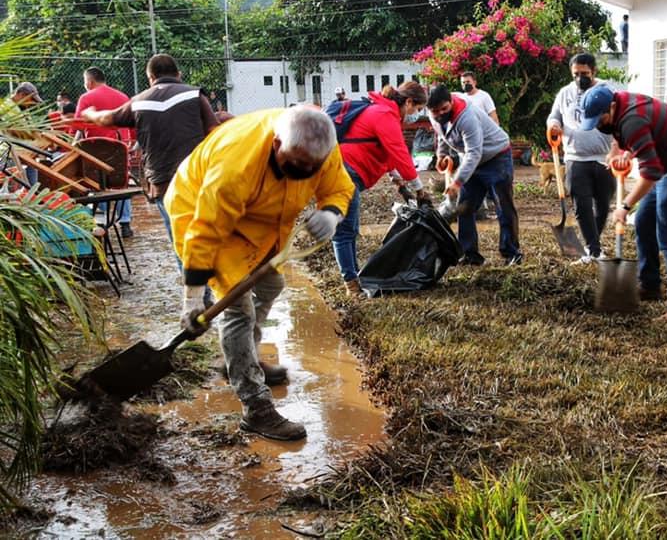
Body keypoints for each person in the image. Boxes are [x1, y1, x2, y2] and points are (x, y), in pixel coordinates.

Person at [166, 105, 354, 440]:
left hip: (263, 218)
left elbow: (339, 187)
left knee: (271, 286)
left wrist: (331, 213)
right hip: (201, 211)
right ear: (276, 142)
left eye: (309, 168)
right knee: (238, 307)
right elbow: (206, 231)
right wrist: (192, 297)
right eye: (294, 164)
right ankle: (256, 408)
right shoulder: (235, 166)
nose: (302, 172)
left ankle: (242, 358)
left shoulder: (320, 144)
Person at [581, 85, 667, 321]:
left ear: (612, 106)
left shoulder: (631, 121)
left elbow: (650, 172)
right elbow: (646, 140)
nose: (598, 124)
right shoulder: (620, 105)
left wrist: (625, 205)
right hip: (666, 161)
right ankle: (649, 284)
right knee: (644, 221)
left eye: (600, 119)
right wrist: (627, 153)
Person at [81, 54, 220, 247]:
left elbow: (108, 119)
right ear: (178, 74)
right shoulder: (194, 94)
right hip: (197, 176)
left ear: (150, 78)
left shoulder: (139, 101)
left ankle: (189, 274)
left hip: (162, 180)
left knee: (179, 236)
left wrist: (90, 113)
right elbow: (214, 131)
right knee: (208, 230)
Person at [331, 82, 431, 297]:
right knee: (345, 230)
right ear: (409, 102)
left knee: (349, 228)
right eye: (418, 109)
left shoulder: (384, 111)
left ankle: (353, 277)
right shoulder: (384, 114)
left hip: (345, 171)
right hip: (343, 173)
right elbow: (400, 153)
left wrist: (400, 184)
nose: (416, 114)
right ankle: (351, 284)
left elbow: (387, 154)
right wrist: (419, 190)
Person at [426, 85, 521, 266]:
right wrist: (441, 155)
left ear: (451, 102)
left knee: (503, 206)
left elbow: (474, 153)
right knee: (465, 207)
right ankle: (469, 254)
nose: (440, 114)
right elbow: (441, 135)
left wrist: (457, 182)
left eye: (444, 109)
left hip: (496, 157)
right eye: (435, 111)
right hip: (471, 161)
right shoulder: (434, 114)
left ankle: (511, 253)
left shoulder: (466, 116)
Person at [546, 52, 614, 264]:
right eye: (576, 74)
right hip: (575, 157)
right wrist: (553, 125)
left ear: (593, 71)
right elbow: (554, 116)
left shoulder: (606, 91)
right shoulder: (565, 93)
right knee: (582, 206)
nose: (580, 78)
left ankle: (592, 243)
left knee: (602, 206)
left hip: (605, 158)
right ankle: (594, 250)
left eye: (584, 73)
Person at [75, 67, 134, 237]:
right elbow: (131, 124)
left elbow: (79, 124)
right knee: (122, 183)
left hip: (95, 150)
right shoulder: (122, 96)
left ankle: (101, 220)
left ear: (89, 82)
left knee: (93, 184)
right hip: (119, 148)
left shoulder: (86, 97)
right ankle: (125, 223)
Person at [456, 71, 500, 219]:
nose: (465, 85)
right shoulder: (461, 99)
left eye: (467, 81)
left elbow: (493, 117)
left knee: (488, 174)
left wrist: (494, 135)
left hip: (484, 141)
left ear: (474, 81)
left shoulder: (484, 96)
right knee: (469, 177)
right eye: (462, 82)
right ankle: (476, 208)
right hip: (466, 144)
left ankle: (495, 202)